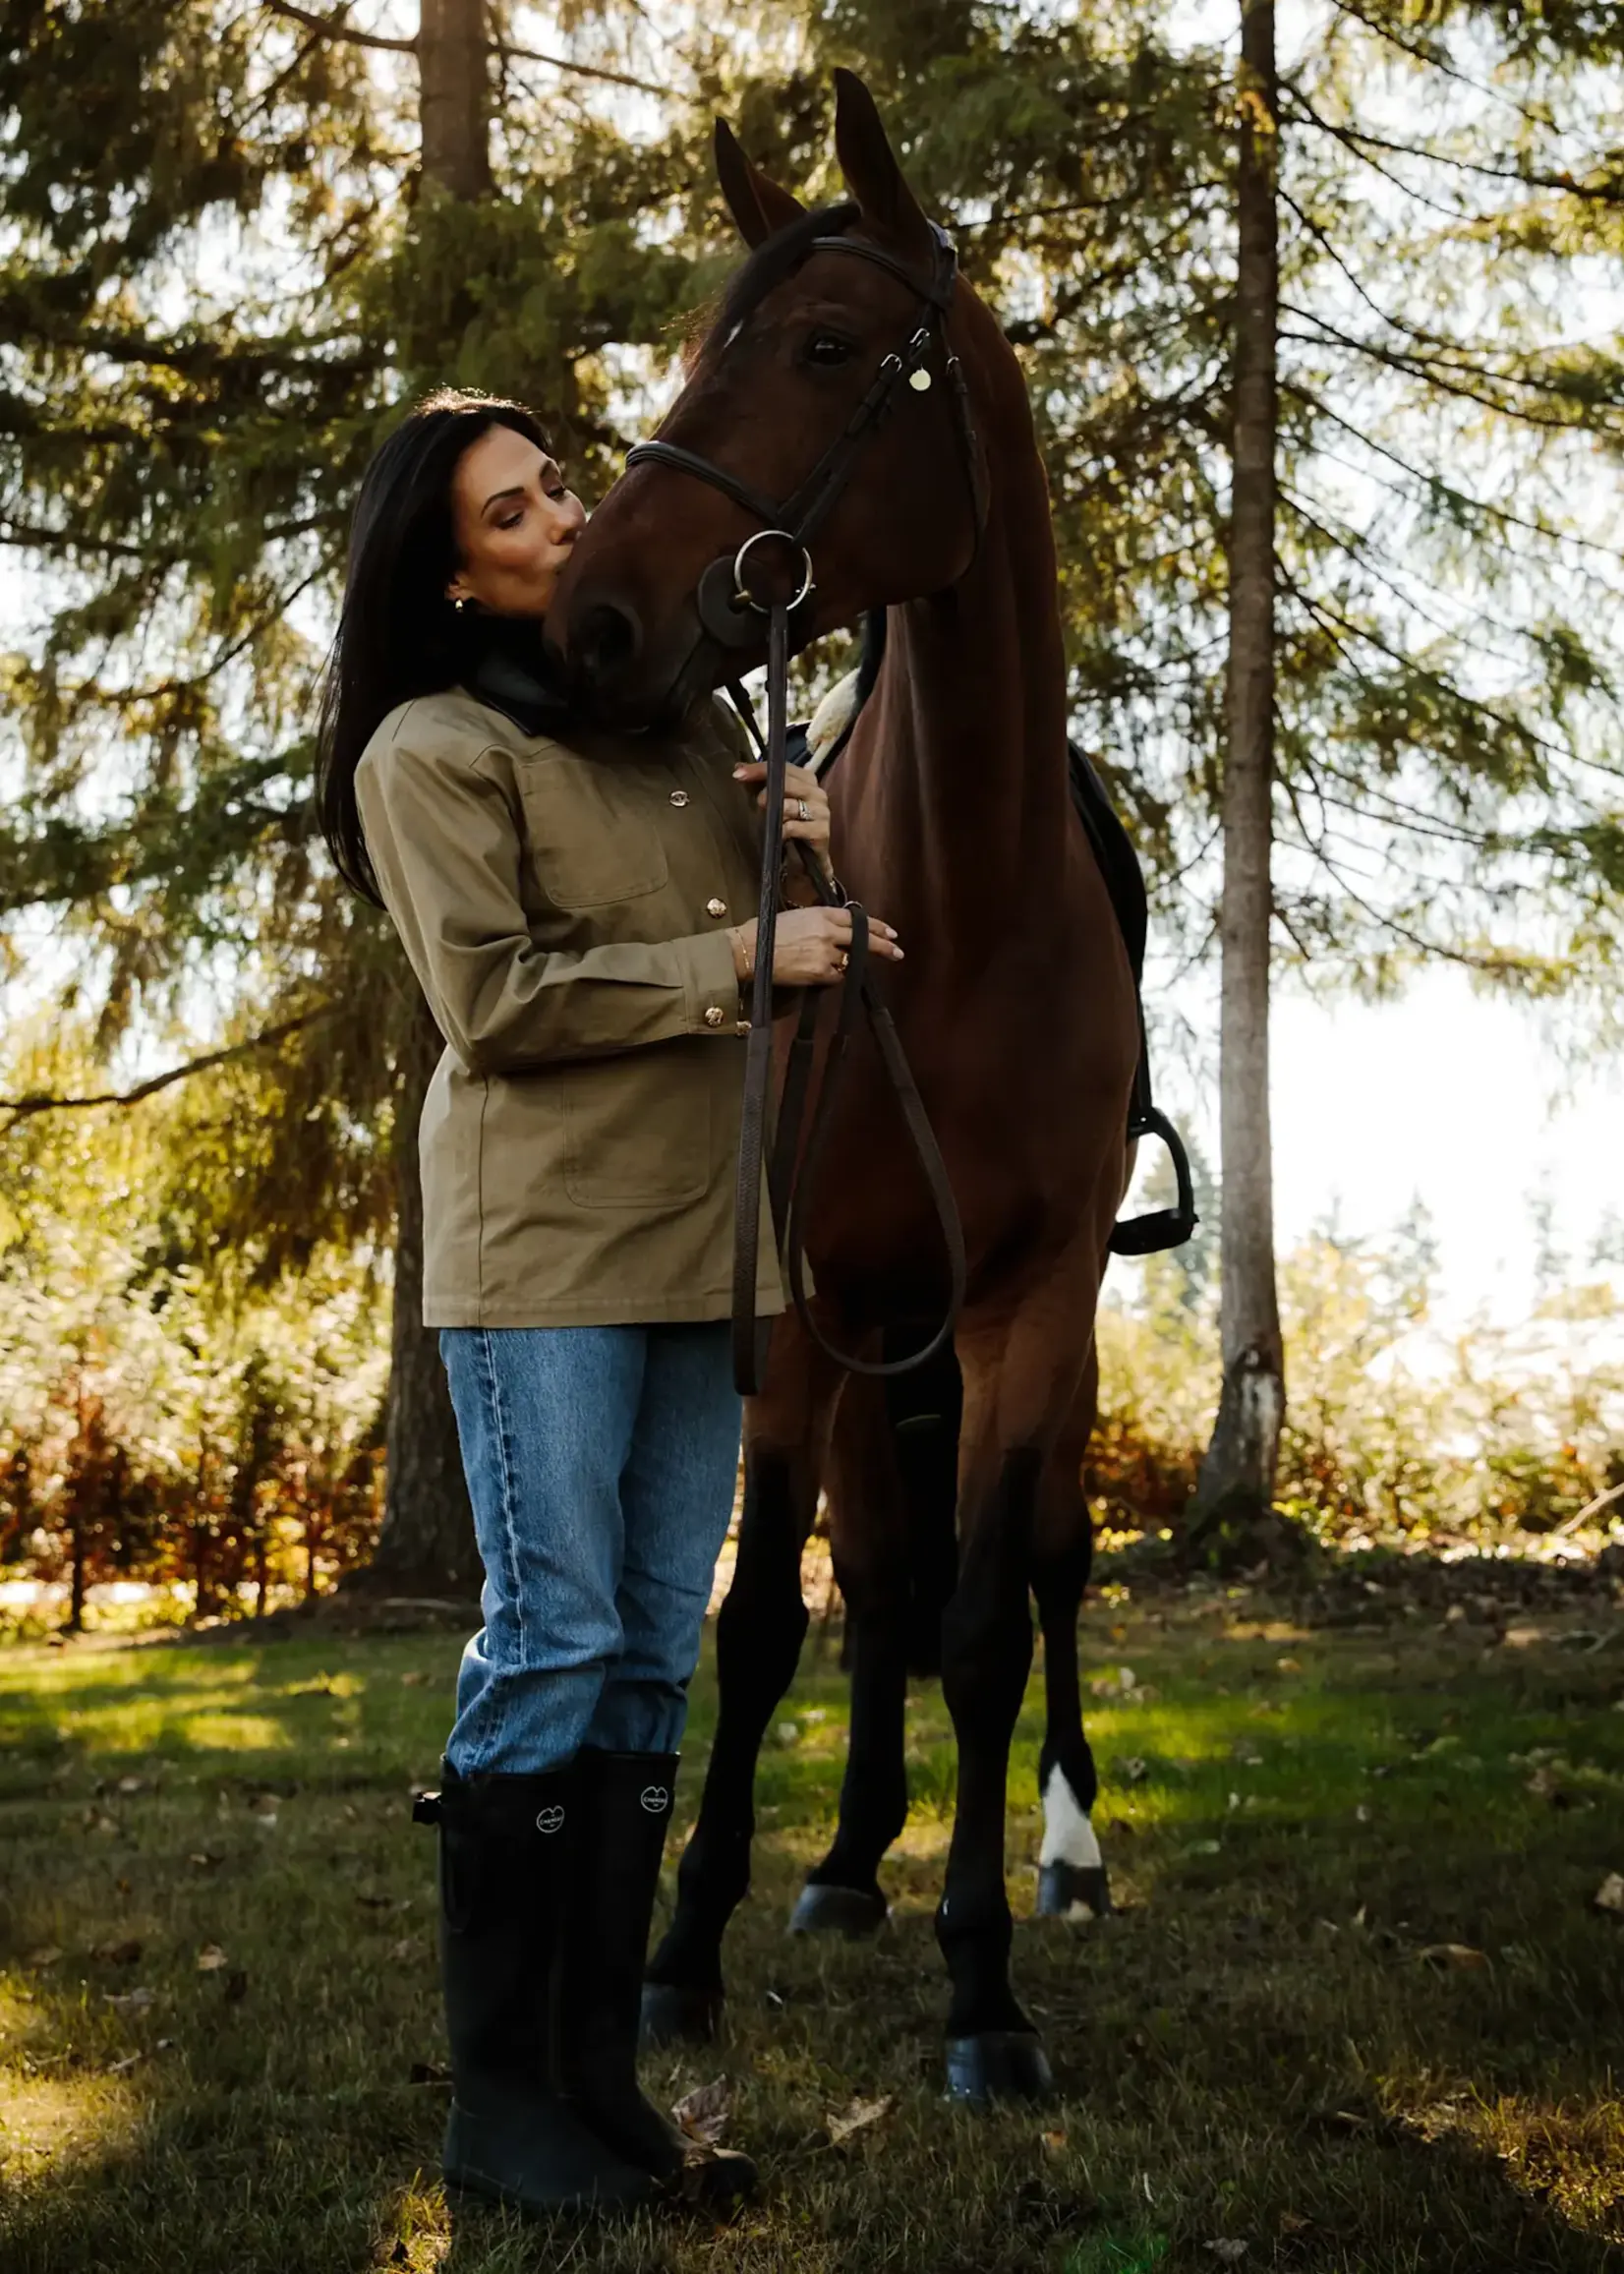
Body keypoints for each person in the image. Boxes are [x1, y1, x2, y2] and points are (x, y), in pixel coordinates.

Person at [313, 387, 900, 2220]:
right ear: (454, 574)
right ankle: (504, 2114)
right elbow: (500, 1004)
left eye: (558, 487)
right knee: (556, 1638)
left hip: (705, 1242)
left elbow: (800, 974)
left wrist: (804, 849)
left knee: (654, 1647)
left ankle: (596, 2083)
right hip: (546, 1255)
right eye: (513, 513)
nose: (563, 520)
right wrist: (744, 945)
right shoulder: (426, 752)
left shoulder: (667, 737)